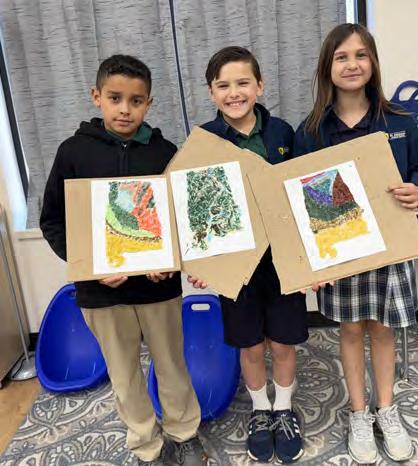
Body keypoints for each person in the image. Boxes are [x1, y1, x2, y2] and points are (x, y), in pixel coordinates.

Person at [40, 54, 208, 466]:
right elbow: (53, 221)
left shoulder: (165, 152)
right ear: (96, 96)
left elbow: (180, 219)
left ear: (149, 103)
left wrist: (172, 259)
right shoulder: (73, 153)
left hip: (158, 289)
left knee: (172, 365)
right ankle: (146, 446)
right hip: (101, 294)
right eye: (115, 98)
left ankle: (184, 433)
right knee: (123, 375)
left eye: (136, 101)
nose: (125, 109)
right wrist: (90, 266)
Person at [294, 24, 418, 464]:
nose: (352, 64)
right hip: (342, 251)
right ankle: (358, 413)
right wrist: (308, 263)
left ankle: (385, 409)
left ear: (373, 63)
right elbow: (298, 199)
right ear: (327, 67)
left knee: (384, 330)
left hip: (391, 248)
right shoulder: (311, 130)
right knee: (351, 330)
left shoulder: (400, 122)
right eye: (341, 57)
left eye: (361, 55)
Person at [188, 46, 308, 464]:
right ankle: (261, 410)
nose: (234, 92)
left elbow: (300, 196)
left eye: (243, 82)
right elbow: (196, 208)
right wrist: (201, 263)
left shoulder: (283, 134)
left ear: (260, 86)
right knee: (250, 344)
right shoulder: (203, 141)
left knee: (284, 341)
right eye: (223, 85)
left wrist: (311, 260)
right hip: (234, 266)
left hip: (282, 261)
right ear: (211, 92)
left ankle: (283, 408)